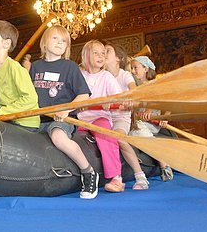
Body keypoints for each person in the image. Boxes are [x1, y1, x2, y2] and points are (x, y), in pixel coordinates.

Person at [29, 25, 98, 199]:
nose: (60, 43)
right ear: (45, 42)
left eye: (64, 41)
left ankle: (88, 171)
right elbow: (27, 95)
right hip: (38, 119)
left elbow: (83, 95)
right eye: (55, 39)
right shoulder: (35, 67)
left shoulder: (70, 67)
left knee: (58, 137)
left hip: (62, 119)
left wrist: (67, 110)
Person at [78, 40, 126, 192]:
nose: (100, 56)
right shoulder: (79, 75)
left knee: (107, 136)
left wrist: (109, 103)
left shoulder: (106, 76)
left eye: (103, 53)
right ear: (86, 55)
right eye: (96, 53)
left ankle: (116, 177)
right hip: (79, 119)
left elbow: (118, 98)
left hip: (99, 117)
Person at [104, 41, 149, 190]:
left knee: (118, 138)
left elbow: (132, 88)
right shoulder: (103, 76)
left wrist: (131, 97)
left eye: (108, 51)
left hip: (120, 117)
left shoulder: (124, 75)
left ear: (118, 58)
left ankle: (140, 175)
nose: (103, 54)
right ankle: (115, 176)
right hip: (106, 117)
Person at [130, 55, 174, 182]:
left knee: (137, 130)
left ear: (146, 69)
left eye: (135, 67)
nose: (133, 71)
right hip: (142, 121)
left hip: (152, 122)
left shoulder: (153, 85)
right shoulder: (137, 87)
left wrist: (165, 118)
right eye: (132, 68)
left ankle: (164, 163)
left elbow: (164, 102)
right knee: (133, 130)